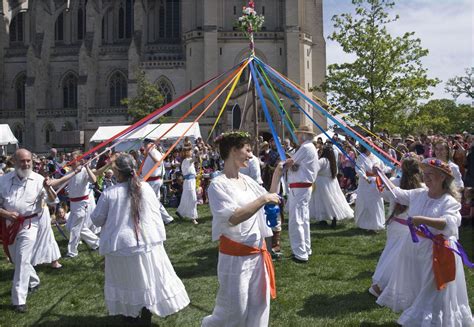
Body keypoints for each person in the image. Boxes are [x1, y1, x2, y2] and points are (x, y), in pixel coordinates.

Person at [91, 154, 189, 325]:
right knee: (146, 281)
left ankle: (131, 315)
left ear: (117, 172)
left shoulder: (110, 193)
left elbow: (97, 219)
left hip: (121, 247)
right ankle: (144, 313)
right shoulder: (145, 187)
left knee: (127, 282)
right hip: (146, 242)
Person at [376, 158, 473, 326]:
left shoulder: (449, 201)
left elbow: (449, 223)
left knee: (434, 289)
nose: (426, 178)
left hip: (438, 251)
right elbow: (397, 193)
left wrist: (422, 220)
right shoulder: (419, 194)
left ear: (442, 177)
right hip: (415, 248)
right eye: (425, 174)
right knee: (420, 285)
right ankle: (423, 318)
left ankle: (429, 320)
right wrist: (380, 173)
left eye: (430, 174)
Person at [202, 131, 282, 327]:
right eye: (247, 150)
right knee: (233, 312)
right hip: (235, 259)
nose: (250, 155)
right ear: (232, 150)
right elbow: (234, 217)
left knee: (259, 308)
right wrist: (263, 199)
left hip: (258, 254)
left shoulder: (247, 181)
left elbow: (270, 195)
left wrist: (279, 171)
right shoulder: (217, 185)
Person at [0, 149, 57, 312]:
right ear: (14, 162)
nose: (25, 164)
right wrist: (5, 213)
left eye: (28, 161)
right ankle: (33, 280)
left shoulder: (39, 180)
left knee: (24, 258)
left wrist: (49, 188)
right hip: (9, 225)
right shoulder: (3, 180)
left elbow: (53, 200)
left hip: (30, 224)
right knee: (15, 259)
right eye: (22, 161)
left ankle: (18, 300)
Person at [369, 154, 423, 297]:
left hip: (395, 225)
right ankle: (382, 286)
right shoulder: (423, 188)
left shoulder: (393, 182)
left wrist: (382, 176)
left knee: (392, 254)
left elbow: (384, 195)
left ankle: (382, 285)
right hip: (412, 228)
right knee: (399, 257)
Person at [50, 151, 102, 257]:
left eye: (73, 159)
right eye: (70, 159)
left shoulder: (84, 171)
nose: (71, 161)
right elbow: (61, 181)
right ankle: (96, 243)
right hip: (73, 204)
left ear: (79, 160)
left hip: (81, 203)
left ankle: (72, 252)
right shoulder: (70, 172)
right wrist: (52, 182)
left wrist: (87, 167)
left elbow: (93, 180)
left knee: (74, 228)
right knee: (72, 227)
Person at [285, 125, 319, 263]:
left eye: (299, 135)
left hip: (300, 188)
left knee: (297, 219)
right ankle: (305, 248)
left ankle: (300, 253)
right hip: (303, 187)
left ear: (304, 136)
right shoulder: (310, 148)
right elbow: (296, 164)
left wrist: (285, 162)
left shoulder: (305, 147)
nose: (297, 137)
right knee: (303, 218)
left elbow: (291, 162)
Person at [310, 144, 353, 228]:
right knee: (332, 200)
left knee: (322, 201)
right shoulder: (332, 162)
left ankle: (323, 218)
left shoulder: (323, 160)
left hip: (322, 183)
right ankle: (331, 217)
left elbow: (314, 169)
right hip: (332, 183)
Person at [140, 138, 174, 225]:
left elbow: (158, 163)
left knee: (152, 200)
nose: (144, 146)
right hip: (150, 180)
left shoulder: (154, 152)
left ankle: (166, 219)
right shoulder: (150, 153)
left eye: (146, 144)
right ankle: (164, 218)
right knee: (154, 201)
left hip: (154, 180)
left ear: (151, 144)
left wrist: (150, 153)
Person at [354, 144, 386, 231]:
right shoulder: (361, 157)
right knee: (366, 202)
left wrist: (392, 169)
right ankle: (365, 224)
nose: (371, 146)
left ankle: (376, 224)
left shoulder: (376, 156)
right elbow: (359, 169)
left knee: (376, 202)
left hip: (377, 182)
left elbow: (382, 168)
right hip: (366, 183)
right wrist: (364, 177)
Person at [176, 146, 199, 224]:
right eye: (190, 151)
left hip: (191, 181)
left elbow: (195, 160)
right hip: (189, 181)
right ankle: (193, 217)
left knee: (186, 198)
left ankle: (180, 212)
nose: (191, 152)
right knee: (192, 199)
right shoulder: (186, 161)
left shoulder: (188, 160)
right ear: (186, 152)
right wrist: (197, 152)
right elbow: (194, 159)